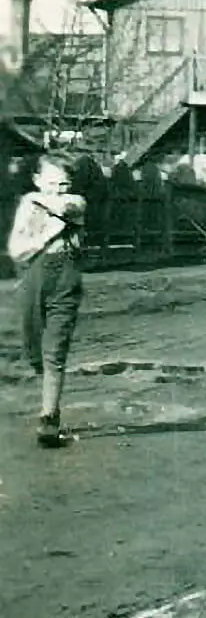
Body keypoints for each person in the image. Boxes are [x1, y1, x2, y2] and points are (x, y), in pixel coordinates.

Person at [6, 151, 87, 447]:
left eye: (63, 183)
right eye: (51, 182)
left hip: (66, 280)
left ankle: (49, 418)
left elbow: (69, 206)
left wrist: (45, 204)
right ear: (37, 180)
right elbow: (16, 250)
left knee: (55, 350)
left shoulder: (75, 202)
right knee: (34, 349)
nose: (58, 189)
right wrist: (42, 236)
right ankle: (45, 376)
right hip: (33, 279)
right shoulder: (28, 203)